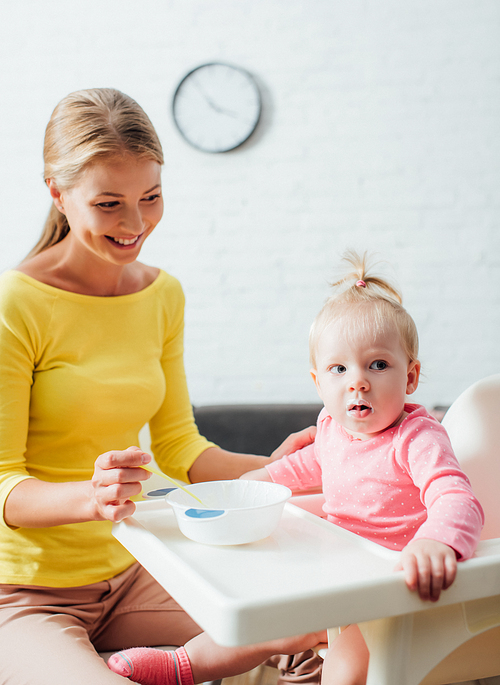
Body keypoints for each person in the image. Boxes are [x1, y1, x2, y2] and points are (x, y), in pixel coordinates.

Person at [0, 88, 322, 685]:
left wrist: (285, 472)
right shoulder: (15, 304)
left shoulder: (161, 294)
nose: (136, 224)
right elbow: (3, 482)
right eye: (109, 203)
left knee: (313, 644)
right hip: (23, 594)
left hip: (137, 568)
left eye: (151, 197)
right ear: (57, 193)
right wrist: (89, 498)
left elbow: (181, 447)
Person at [109, 251, 484, 685]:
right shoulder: (331, 430)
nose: (357, 381)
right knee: (262, 617)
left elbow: (456, 497)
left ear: (411, 377)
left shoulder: (417, 438)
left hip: (390, 586)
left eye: (378, 365)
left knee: (349, 664)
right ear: (318, 383)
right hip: (333, 567)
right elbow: (300, 467)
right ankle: (184, 665)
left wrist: (437, 543)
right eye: (339, 369)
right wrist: (252, 485)